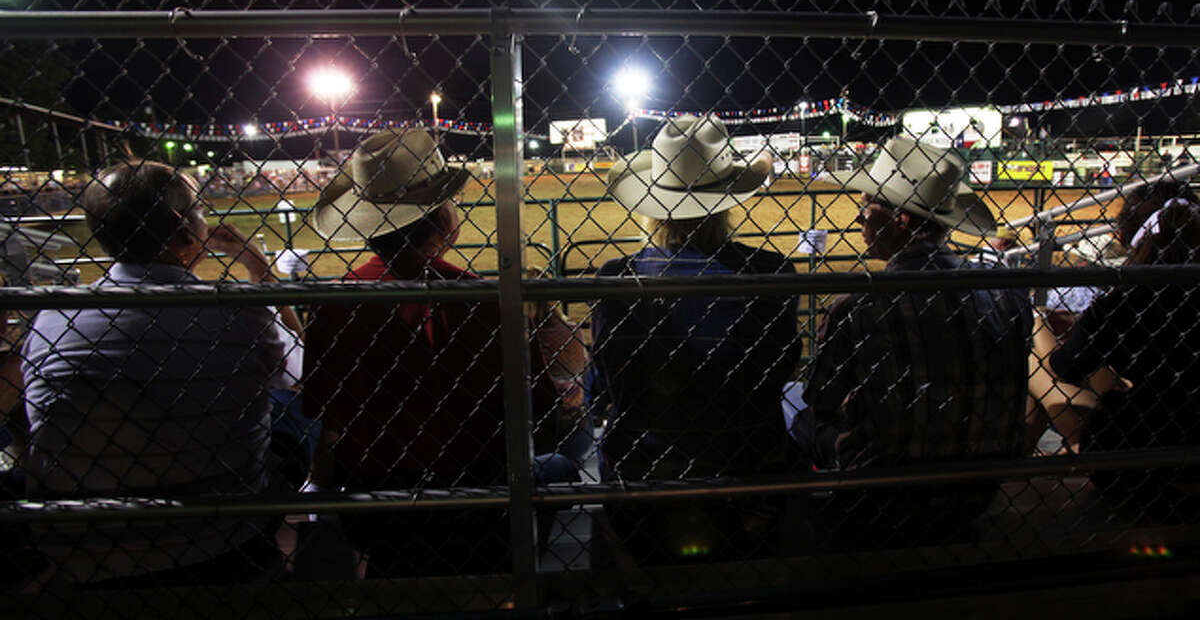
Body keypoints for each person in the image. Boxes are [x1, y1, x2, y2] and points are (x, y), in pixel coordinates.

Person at [303, 128, 580, 577]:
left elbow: (325, 415)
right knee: (565, 461)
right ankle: (518, 574)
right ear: (443, 222)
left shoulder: (335, 303)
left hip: (374, 507)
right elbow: (542, 414)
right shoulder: (485, 301)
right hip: (477, 501)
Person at [20, 159, 291, 585]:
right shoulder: (237, 310)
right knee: (286, 422)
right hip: (221, 540)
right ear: (187, 227)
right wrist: (254, 266)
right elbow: (300, 374)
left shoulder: (54, 315)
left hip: (86, 549)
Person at [792, 137, 1033, 548]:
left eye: (866, 210)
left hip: (882, 497)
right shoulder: (1006, 293)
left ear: (900, 220)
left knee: (797, 413)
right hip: (977, 491)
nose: (858, 222)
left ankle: (802, 524)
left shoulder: (859, 306)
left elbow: (820, 399)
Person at [587, 114, 800, 563]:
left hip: (641, 488)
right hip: (750, 487)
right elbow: (783, 368)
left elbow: (600, 391)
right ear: (726, 202)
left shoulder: (616, 279)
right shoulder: (771, 273)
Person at [1047, 180, 1200, 513]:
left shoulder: (1123, 302)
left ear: (1125, 237)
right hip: (1184, 446)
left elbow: (1066, 368)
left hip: (1138, 466)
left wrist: (1078, 330)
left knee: (1038, 333)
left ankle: (1029, 464)